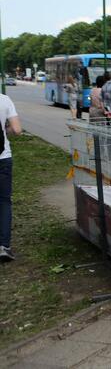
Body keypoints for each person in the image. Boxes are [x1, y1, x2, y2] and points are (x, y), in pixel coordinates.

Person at [0, 93, 22, 262]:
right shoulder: (4, 100)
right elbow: (17, 130)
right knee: (4, 201)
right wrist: (5, 131)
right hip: (3, 158)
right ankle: (4, 247)